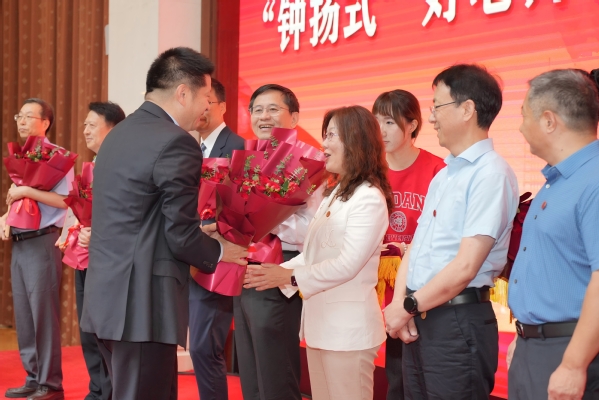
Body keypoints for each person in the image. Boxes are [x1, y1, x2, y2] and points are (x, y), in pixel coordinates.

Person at [79, 47, 248, 400]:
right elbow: (180, 235)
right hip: (142, 307)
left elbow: (142, 217)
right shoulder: (176, 142)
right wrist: (222, 252)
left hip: (107, 300)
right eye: (205, 97)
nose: (206, 108)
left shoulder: (118, 135)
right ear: (183, 93)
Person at [383, 64, 519, 399]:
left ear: (467, 109)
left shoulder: (491, 174)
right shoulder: (444, 175)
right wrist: (403, 303)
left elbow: (466, 266)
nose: (431, 118)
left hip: (457, 322)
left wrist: (408, 305)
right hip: (421, 316)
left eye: (437, 107)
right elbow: (416, 248)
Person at [244, 105, 392, 400]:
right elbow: (314, 254)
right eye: (326, 135)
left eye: (332, 135)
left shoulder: (368, 198)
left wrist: (289, 277)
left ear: (356, 141)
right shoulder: (335, 193)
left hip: (348, 332)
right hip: (321, 329)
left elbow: (347, 264)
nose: (324, 144)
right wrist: (276, 271)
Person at [507, 69, 599, 400]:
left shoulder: (594, 180)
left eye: (524, 116)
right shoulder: (555, 182)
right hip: (535, 347)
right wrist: (525, 335)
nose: (520, 128)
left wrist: (574, 364)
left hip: (571, 350)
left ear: (549, 121)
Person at [233, 83, 321, 400]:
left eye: (273, 109)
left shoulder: (308, 162)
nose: (264, 116)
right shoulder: (248, 158)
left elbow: (313, 231)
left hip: (279, 271)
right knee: (251, 370)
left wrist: (267, 220)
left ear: (294, 117)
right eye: (257, 110)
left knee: (276, 372)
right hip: (244, 269)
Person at [372, 90, 445, 400]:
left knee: (420, 377)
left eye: (390, 122)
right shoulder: (370, 171)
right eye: (376, 122)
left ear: (413, 125)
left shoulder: (438, 170)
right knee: (394, 376)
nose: (381, 131)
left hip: (423, 289)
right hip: (378, 287)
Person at [1, 98, 74, 400]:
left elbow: (67, 201)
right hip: (20, 244)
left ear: (45, 123)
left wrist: (26, 190)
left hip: (43, 241)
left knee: (43, 315)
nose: (21, 121)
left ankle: (51, 384)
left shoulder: (57, 157)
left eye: (29, 116)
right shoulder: (22, 156)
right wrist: (6, 216)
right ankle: (33, 377)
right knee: (25, 316)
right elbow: (20, 201)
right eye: (19, 116)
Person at [188, 77, 245, 400]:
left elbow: (244, 208)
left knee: (204, 347)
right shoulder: (190, 149)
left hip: (222, 258)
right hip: (192, 256)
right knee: (200, 347)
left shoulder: (237, 147)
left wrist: (213, 226)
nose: (201, 107)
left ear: (222, 106)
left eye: (207, 100)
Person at [68, 101, 125, 400]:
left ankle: (111, 392)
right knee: (88, 329)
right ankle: (98, 390)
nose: (85, 130)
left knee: (105, 331)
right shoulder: (91, 165)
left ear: (112, 128)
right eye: (85, 125)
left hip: (108, 260)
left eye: (92, 125)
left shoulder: (123, 166)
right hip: (84, 256)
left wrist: (98, 234)